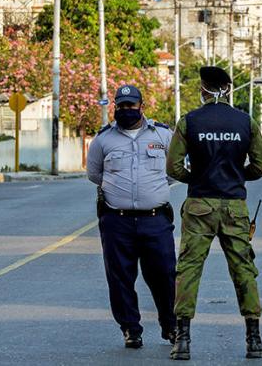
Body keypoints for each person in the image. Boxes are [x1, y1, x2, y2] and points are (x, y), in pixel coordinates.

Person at [166, 66, 262, 360]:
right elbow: (260, 166)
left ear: (203, 89)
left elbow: (172, 168)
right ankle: (254, 339)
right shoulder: (245, 122)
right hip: (234, 205)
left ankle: (182, 341)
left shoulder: (189, 122)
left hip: (199, 204)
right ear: (228, 89)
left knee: (188, 269)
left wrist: (198, 177)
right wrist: (236, 174)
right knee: (243, 269)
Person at [86, 85, 176, 349]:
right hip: (117, 220)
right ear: (115, 107)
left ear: (142, 106)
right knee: (120, 277)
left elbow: (172, 172)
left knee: (165, 275)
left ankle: (170, 326)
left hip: (155, 219)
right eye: (121, 106)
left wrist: (151, 190)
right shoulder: (103, 139)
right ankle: (130, 329)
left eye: (131, 105)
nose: (126, 110)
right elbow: (95, 174)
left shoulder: (163, 134)